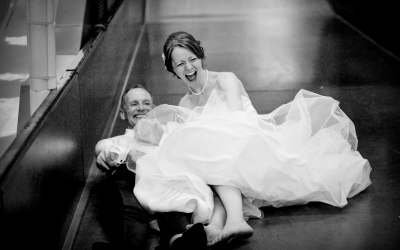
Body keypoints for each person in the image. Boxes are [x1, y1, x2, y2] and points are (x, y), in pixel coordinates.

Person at [133, 31, 372, 247]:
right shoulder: (185, 103)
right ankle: (217, 226)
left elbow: (238, 125)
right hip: (224, 159)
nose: (188, 67)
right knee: (202, 161)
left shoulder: (225, 80)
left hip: (252, 144)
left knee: (213, 156)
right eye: (180, 64)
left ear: (200, 56)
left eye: (192, 59)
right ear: (172, 70)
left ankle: (233, 220)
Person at [94, 84, 207, 250]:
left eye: (146, 103)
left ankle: (180, 242)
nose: (141, 108)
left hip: (168, 194)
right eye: (133, 104)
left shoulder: (172, 133)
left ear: (155, 109)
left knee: (174, 192)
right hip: (133, 197)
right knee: (124, 178)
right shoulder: (116, 142)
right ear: (123, 113)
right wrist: (126, 155)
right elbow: (103, 149)